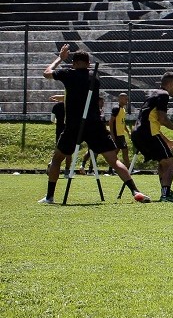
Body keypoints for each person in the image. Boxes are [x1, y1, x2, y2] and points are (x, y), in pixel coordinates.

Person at [39, 44, 149, 204]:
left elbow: (46, 73)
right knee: (114, 160)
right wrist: (65, 98)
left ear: (74, 63)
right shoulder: (94, 78)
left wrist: (59, 59)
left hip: (74, 125)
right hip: (95, 124)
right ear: (89, 64)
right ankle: (135, 191)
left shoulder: (68, 74)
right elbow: (83, 96)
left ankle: (49, 197)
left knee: (56, 159)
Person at [131, 71, 173, 201]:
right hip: (148, 134)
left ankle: (165, 191)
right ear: (171, 84)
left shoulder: (154, 95)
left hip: (139, 133)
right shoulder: (164, 95)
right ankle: (165, 194)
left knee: (163, 163)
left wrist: (166, 140)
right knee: (171, 164)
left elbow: (151, 121)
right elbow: (162, 119)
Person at [107, 92, 131, 175]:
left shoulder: (123, 109)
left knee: (116, 152)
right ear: (120, 99)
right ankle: (129, 168)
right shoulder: (116, 108)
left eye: (127, 99)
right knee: (125, 150)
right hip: (117, 134)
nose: (126, 100)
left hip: (121, 134)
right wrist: (112, 134)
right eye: (125, 99)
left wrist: (128, 131)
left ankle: (110, 169)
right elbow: (111, 122)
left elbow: (122, 122)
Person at [49, 94, 72, 174]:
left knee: (58, 149)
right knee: (69, 152)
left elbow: (52, 119)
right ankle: (67, 170)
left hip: (59, 130)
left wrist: (57, 122)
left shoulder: (56, 107)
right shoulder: (70, 106)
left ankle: (51, 164)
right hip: (69, 130)